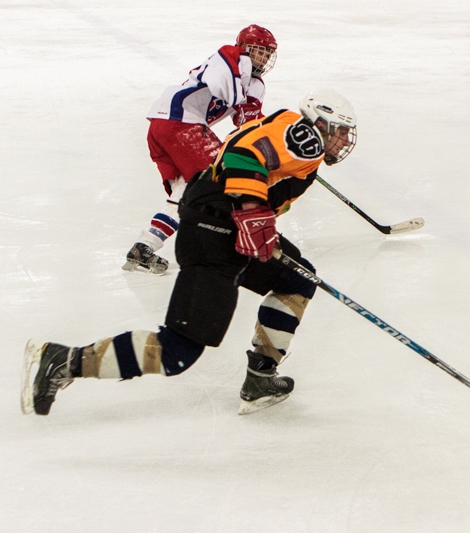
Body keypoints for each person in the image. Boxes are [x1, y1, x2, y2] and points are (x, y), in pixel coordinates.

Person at [22, 89, 358, 416]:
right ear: (321, 123)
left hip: (224, 226)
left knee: (298, 278)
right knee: (176, 352)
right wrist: (252, 210)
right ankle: (62, 361)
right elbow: (242, 154)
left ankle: (260, 378)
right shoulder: (305, 138)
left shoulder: (294, 136)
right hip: (213, 230)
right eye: (340, 132)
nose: (343, 141)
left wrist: (256, 218)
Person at [123, 24, 278, 275]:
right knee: (220, 182)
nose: (264, 57)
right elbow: (224, 84)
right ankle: (238, 243)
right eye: (260, 51)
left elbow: (248, 123)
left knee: (188, 190)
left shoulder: (255, 83)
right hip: (181, 122)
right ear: (246, 47)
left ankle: (145, 245)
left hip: (165, 127)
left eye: (268, 53)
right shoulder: (233, 56)